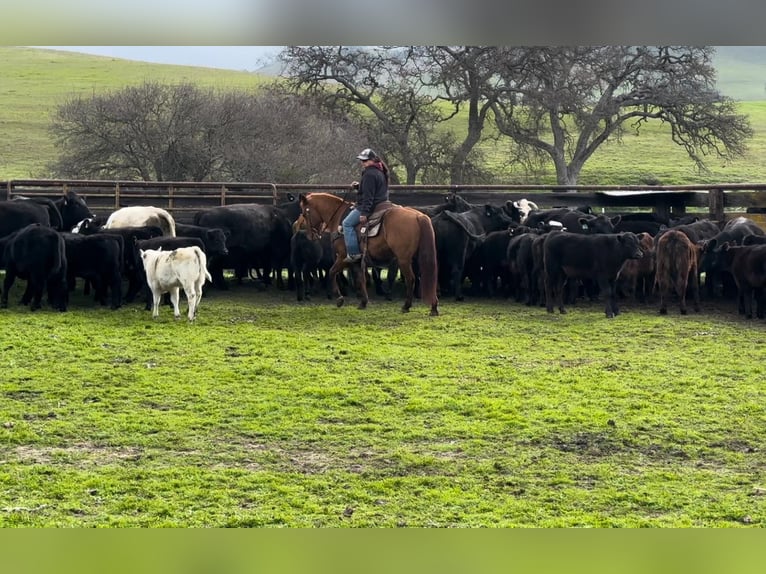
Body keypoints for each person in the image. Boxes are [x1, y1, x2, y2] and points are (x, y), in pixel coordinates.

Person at [342, 148, 390, 263]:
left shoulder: (369, 174)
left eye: (365, 161)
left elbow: (369, 197)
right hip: (382, 203)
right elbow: (374, 189)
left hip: (371, 205)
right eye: (362, 161)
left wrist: (364, 213)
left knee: (347, 224)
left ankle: (353, 253)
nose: (363, 163)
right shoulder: (380, 171)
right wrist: (360, 186)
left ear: (372, 160)